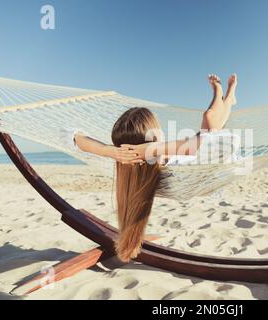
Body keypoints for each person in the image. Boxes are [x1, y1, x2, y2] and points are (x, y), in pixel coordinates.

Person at [72, 74, 238, 262]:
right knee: (210, 120)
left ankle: (227, 97)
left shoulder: (126, 165)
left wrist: (108, 151)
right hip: (210, 166)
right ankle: (225, 96)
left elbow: (74, 137)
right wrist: (154, 149)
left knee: (209, 125)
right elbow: (222, 142)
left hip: (198, 159)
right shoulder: (164, 158)